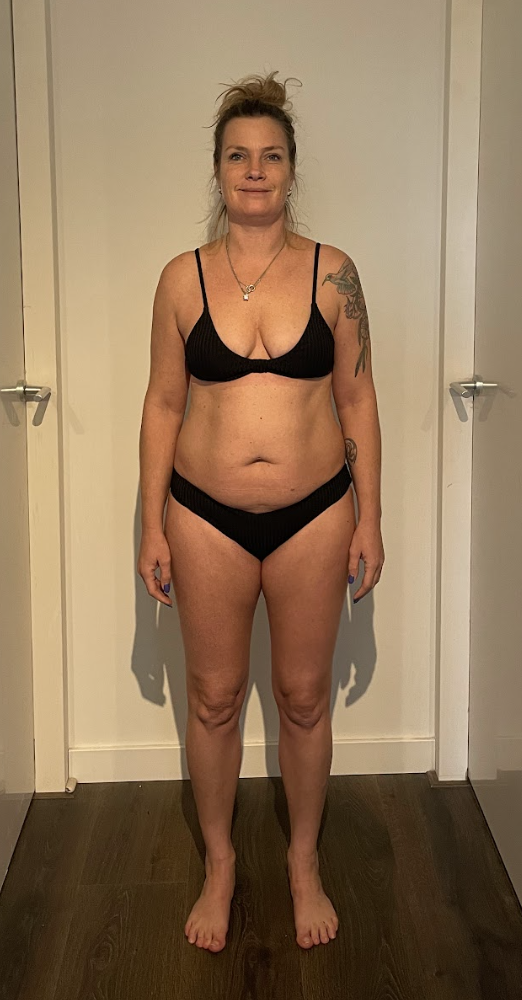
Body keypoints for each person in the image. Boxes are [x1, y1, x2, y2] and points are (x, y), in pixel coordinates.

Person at [138, 70, 384, 954]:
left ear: (290, 169)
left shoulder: (334, 273)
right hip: (204, 516)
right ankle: (220, 862)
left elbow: (357, 400)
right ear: (217, 169)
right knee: (212, 697)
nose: (254, 170)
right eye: (238, 156)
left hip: (315, 514)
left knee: (304, 697)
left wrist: (370, 517)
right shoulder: (181, 279)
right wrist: (150, 524)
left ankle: (303, 860)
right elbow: (164, 404)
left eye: (270, 156)